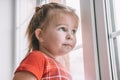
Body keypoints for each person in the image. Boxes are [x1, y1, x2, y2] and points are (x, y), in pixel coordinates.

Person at [13, 2, 79, 80]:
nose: (70, 36)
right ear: (40, 35)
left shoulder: (63, 68)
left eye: (73, 31)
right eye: (62, 29)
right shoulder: (37, 58)